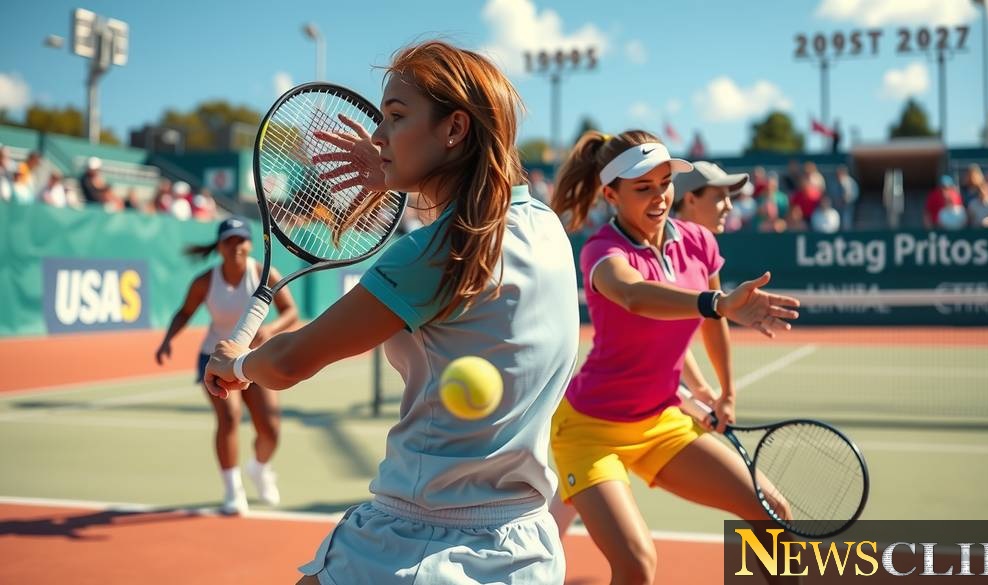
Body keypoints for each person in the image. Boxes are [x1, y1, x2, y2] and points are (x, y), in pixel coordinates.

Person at [204, 40, 580, 585]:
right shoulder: (545, 228)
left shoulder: (430, 254)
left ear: (453, 130)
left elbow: (289, 362)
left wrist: (237, 363)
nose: (379, 136)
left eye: (397, 118)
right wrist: (400, 173)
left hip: (411, 548)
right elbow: (470, 215)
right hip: (524, 549)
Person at [548, 129, 800, 585]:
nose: (659, 197)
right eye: (642, 188)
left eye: (665, 183)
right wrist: (716, 301)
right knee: (637, 563)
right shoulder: (602, 252)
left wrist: (724, 392)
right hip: (590, 431)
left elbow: (712, 323)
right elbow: (634, 296)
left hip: (662, 421)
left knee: (773, 513)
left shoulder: (699, 243)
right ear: (611, 194)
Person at [155, 217, 297, 515]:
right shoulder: (205, 281)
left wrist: (271, 331)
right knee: (229, 418)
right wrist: (167, 340)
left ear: (250, 244)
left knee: (270, 429)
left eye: (240, 240)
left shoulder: (262, 272)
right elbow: (184, 312)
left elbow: (290, 311)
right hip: (216, 358)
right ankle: (233, 490)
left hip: (255, 358)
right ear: (219, 247)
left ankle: (259, 468)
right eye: (229, 241)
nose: (235, 246)